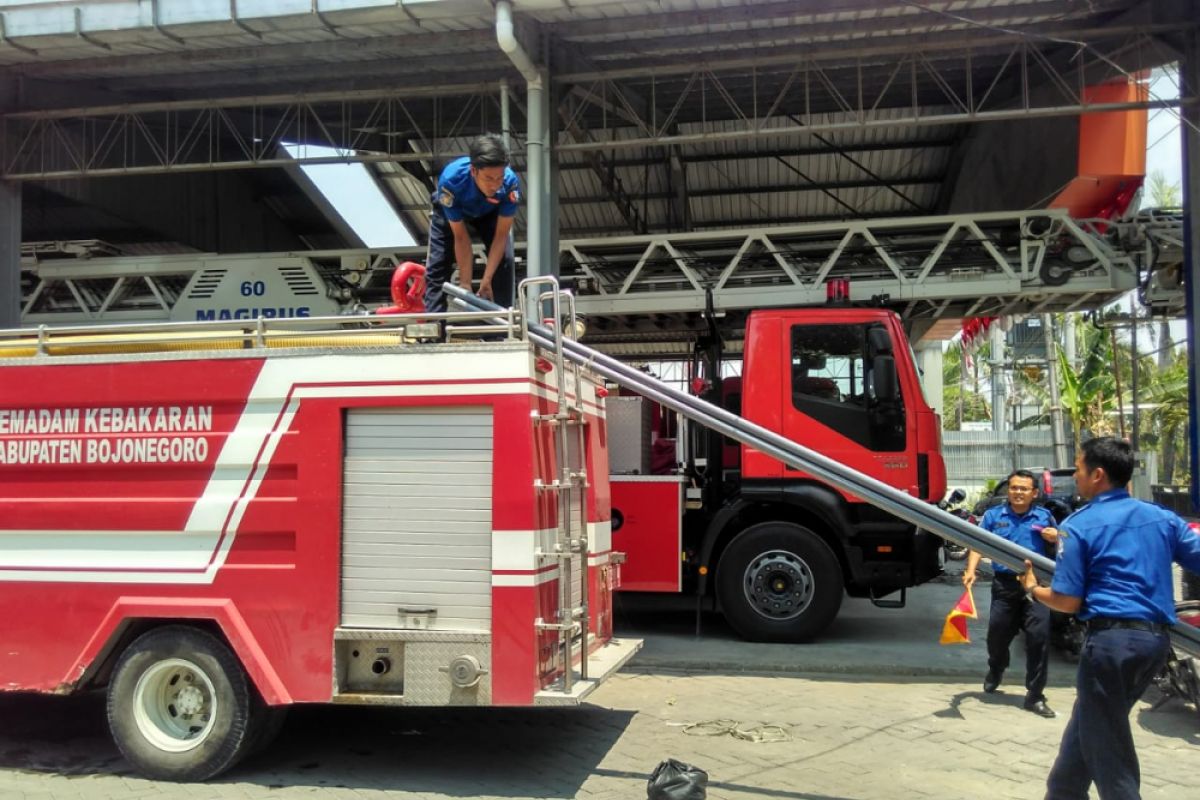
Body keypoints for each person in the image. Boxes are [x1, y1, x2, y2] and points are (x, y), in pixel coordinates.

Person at [1020, 437, 1200, 799]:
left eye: (1079, 469)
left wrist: (1033, 590)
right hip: (1154, 645)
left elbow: (1068, 602)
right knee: (1083, 740)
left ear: (1098, 474)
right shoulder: (1162, 517)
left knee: (1109, 750)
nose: (1077, 477)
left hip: (1109, 645)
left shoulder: (1079, 525)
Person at [962, 469, 1059, 717]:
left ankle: (1035, 696)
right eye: (1014, 488)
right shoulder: (994, 516)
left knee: (1038, 639)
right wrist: (971, 570)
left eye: (1023, 489)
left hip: (1036, 587)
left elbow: (1063, 549)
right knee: (997, 634)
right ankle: (996, 668)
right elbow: (977, 544)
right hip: (1005, 586)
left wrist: (1055, 539)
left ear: (1034, 493)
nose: (1018, 492)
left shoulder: (1044, 516)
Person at [423, 133, 521, 314]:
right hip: (451, 211)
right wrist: (465, 283)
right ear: (474, 171)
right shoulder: (451, 181)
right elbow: (460, 237)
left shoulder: (510, 185)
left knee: (505, 261)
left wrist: (486, 280)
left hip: (488, 212)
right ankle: (434, 328)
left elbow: (500, 237)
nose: (495, 185)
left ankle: (499, 331)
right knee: (438, 264)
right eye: (489, 179)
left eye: (499, 178)